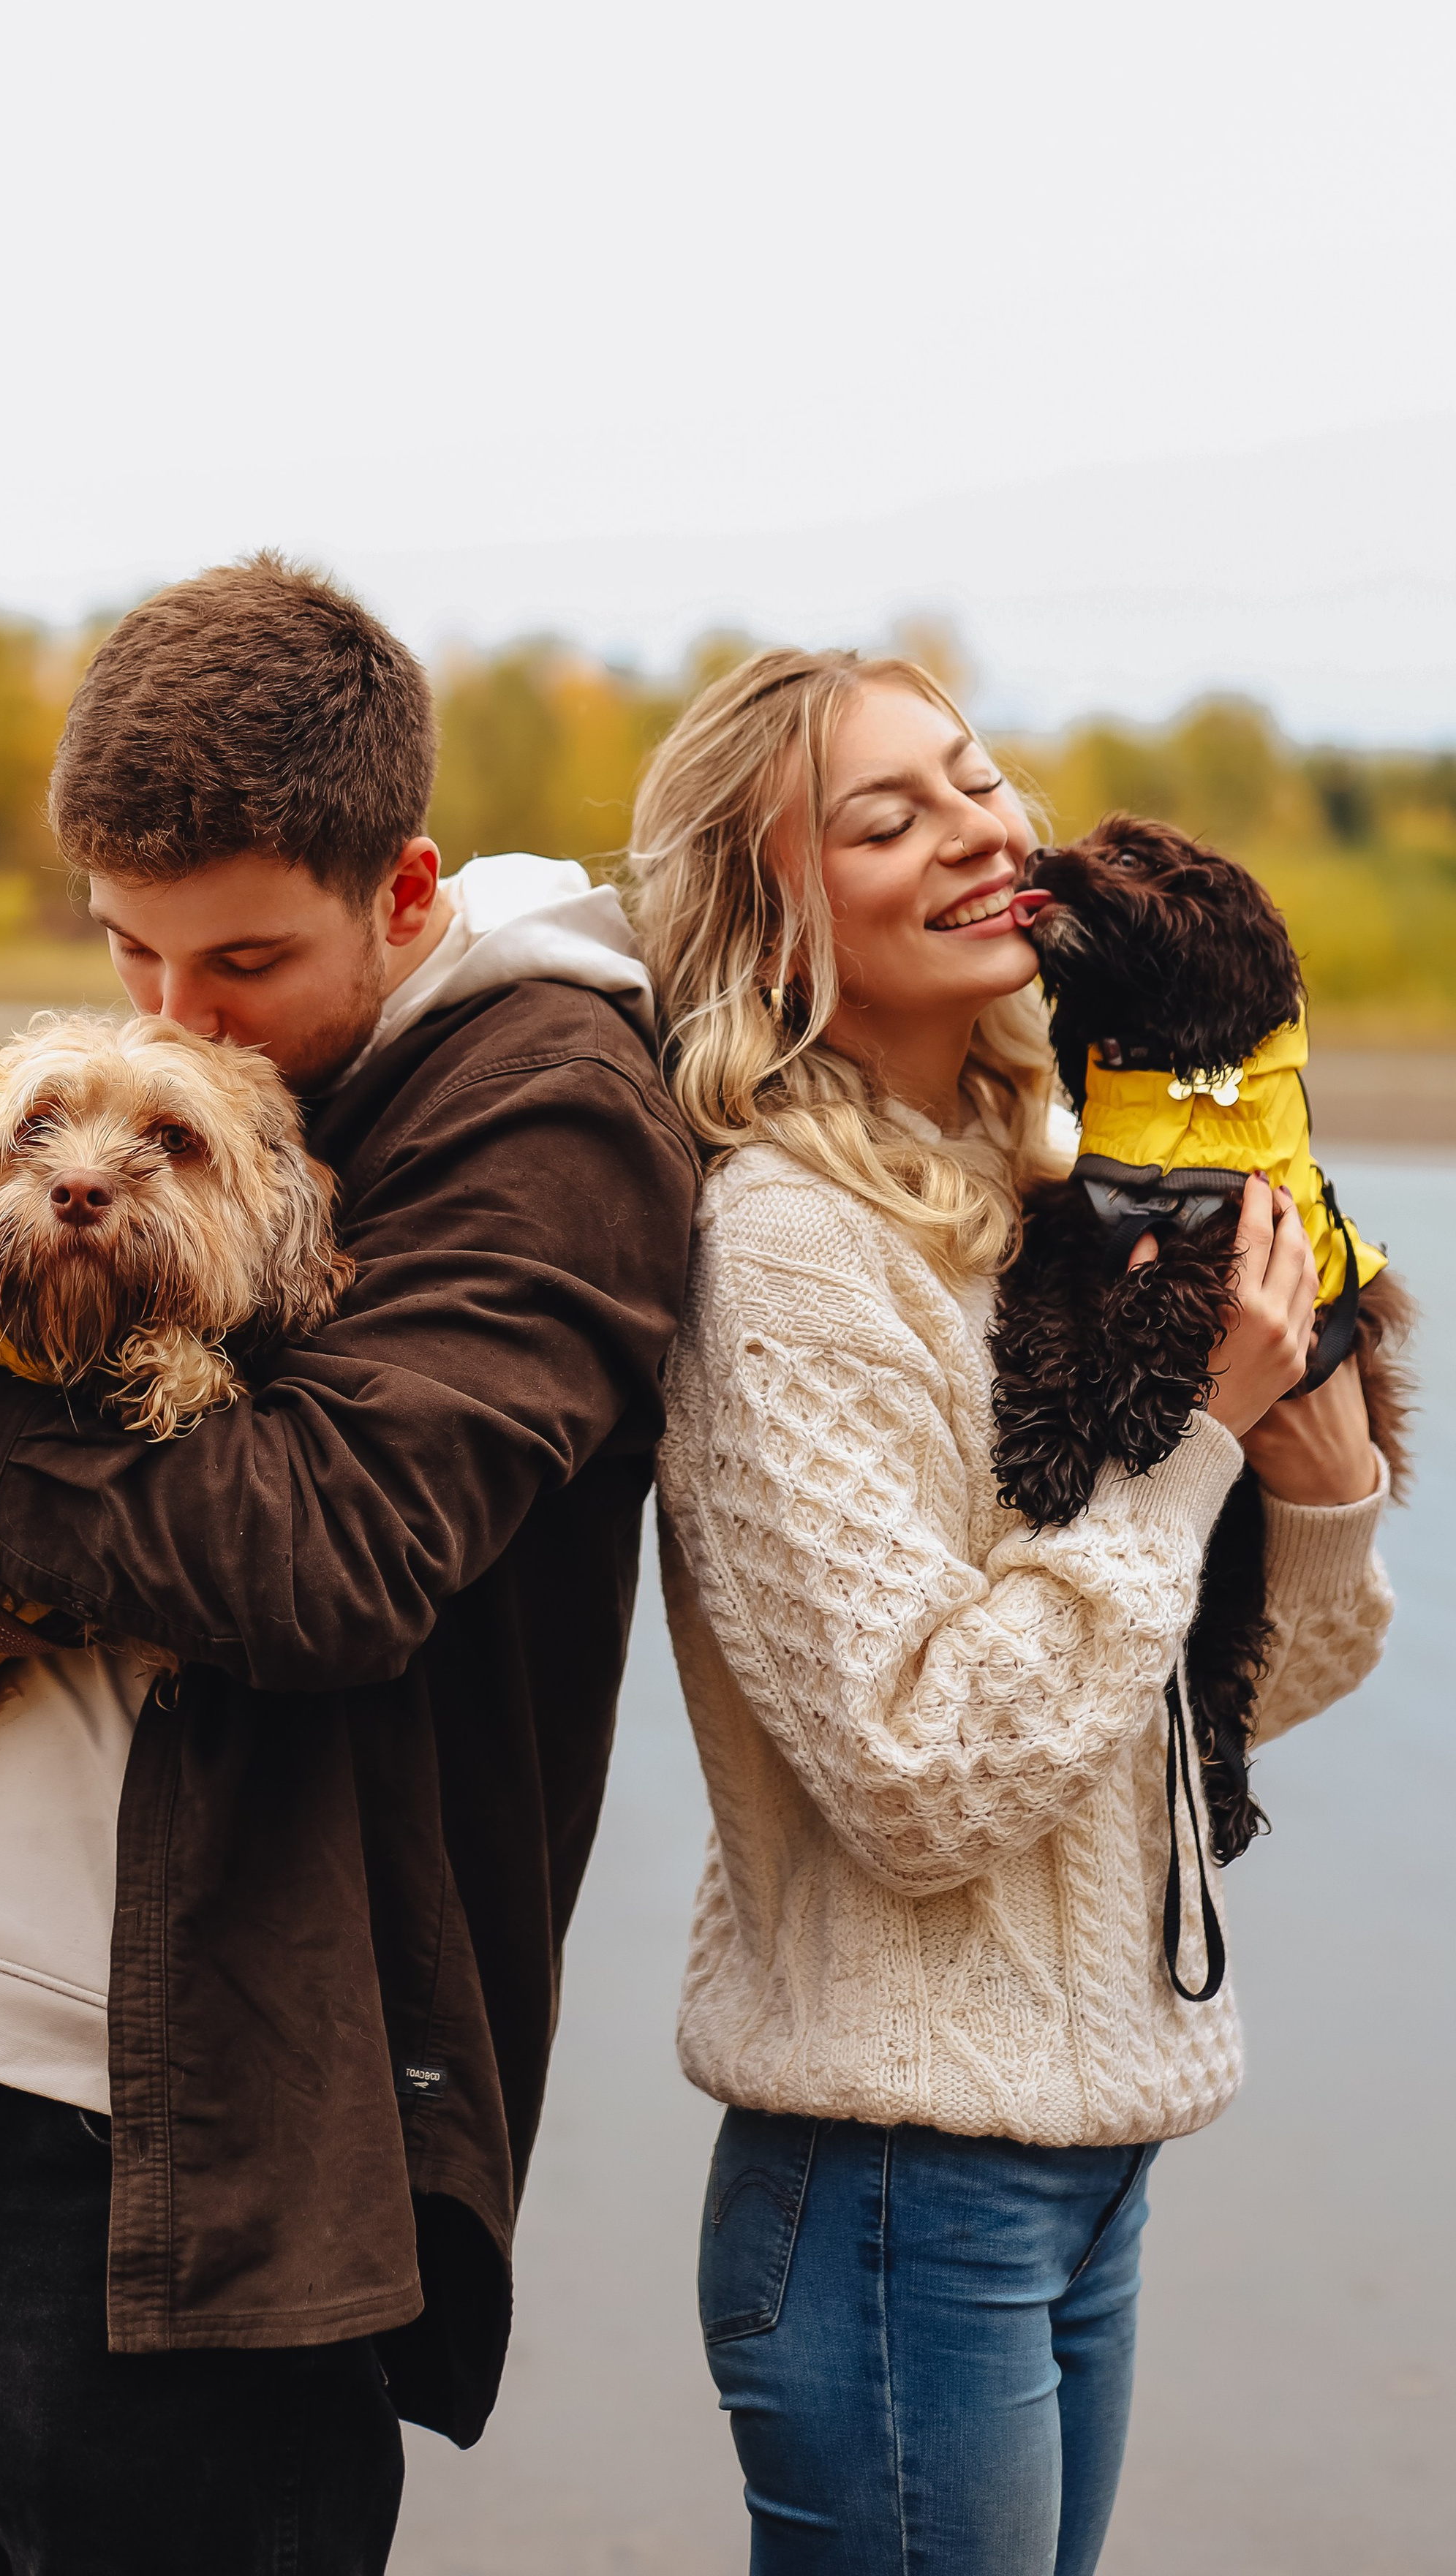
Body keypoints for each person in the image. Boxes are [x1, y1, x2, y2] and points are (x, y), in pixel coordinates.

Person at [0, 554, 699, 2576]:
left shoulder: (545, 1116)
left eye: (240, 963)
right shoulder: (139, 1098)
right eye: (128, 953)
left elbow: (328, 1557)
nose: (176, 1020)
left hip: (194, 2181)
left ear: (407, 895)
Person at [631, 648, 1391, 2575]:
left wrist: (1313, 1487)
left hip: (1080, 2155)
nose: (979, 829)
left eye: (975, 780)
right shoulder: (790, 1251)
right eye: (887, 818)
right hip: (899, 2180)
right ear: (774, 921)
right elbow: (921, 1775)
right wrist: (1192, 1450)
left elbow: (1164, 1717)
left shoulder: (1054, 1177)